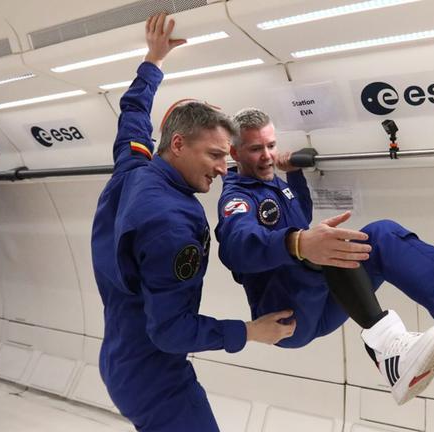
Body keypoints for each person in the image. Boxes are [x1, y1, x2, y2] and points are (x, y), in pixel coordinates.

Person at [215, 108, 434, 405]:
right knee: (335, 248)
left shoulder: (275, 181)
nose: (267, 156)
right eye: (256, 148)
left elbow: (298, 212)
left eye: (271, 145)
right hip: (286, 317)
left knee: (380, 236)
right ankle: (391, 346)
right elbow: (237, 247)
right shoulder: (237, 198)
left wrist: (294, 174)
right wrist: (300, 244)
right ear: (234, 151)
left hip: (327, 300)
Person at [90, 14, 295, 432]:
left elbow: (132, 112)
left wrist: (154, 60)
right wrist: (250, 332)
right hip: (154, 375)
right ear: (178, 144)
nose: (224, 169)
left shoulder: (133, 165)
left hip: (119, 357)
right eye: (215, 156)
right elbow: (169, 331)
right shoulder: (171, 224)